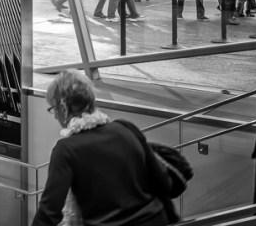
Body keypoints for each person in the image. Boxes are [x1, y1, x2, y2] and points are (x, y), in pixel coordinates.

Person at [32, 71, 174, 226]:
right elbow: (164, 183)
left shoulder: (66, 150)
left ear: (64, 108)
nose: (54, 116)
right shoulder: (127, 128)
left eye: (53, 108)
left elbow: (49, 213)